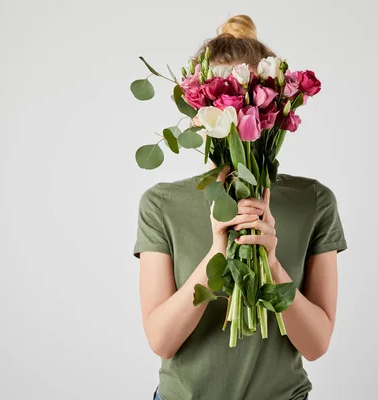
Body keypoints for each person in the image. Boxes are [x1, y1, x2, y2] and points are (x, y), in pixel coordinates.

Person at [132, 14, 348, 400]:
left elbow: (316, 345)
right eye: (222, 101)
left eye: (249, 101)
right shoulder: (160, 204)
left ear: (274, 109)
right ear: (197, 113)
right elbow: (161, 341)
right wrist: (217, 252)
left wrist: (272, 262)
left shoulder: (314, 200)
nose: (235, 115)